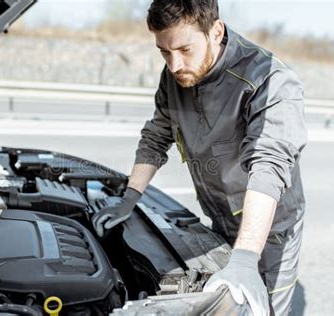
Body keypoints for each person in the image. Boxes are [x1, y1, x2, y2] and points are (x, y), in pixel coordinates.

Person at [92, 0, 307, 315]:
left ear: (216, 31)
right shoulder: (176, 75)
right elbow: (156, 137)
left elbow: (268, 168)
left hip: (272, 228)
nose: (174, 65)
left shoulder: (269, 80)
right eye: (164, 52)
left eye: (184, 50)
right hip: (219, 219)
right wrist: (129, 199)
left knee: (264, 308)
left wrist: (246, 259)